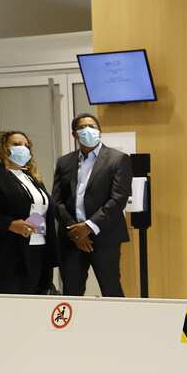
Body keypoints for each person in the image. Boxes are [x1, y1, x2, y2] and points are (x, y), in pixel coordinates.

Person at [52, 114, 133, 297]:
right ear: (75, 134)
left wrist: (88, 227)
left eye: (92, 126)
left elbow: (118, 198)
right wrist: (75, 231)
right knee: (71, 291)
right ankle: (73, 326)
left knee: (111, 288)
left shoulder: (118, 159)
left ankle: (118, 325)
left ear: (99, 131)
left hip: (105, 235)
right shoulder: (64, 162)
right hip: (71, 238)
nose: (88, 130)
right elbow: (57, 201)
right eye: (82, 127)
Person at [0, 130, 59, 294]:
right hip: (10, 252)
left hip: (39, 248)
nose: (23, 149)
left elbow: (42, 209)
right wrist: (9, 224)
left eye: (26, 145)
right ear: (3, 148)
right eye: (16, 144)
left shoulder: (31, 176)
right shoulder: (1, 175)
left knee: (37, 299)